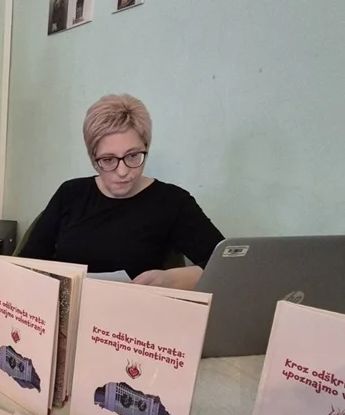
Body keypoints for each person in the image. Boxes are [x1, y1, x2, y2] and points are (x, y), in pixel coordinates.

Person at [18, 94, 224, 291]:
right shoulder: (71, 194)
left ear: (146, 148)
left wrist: (170, 279)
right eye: (108, 160)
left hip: (134, 311)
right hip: (66, 309)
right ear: (93, 159)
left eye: (133, 156)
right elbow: (25, 264)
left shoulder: (173, 202)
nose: (123, 171)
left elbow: (224, 267)